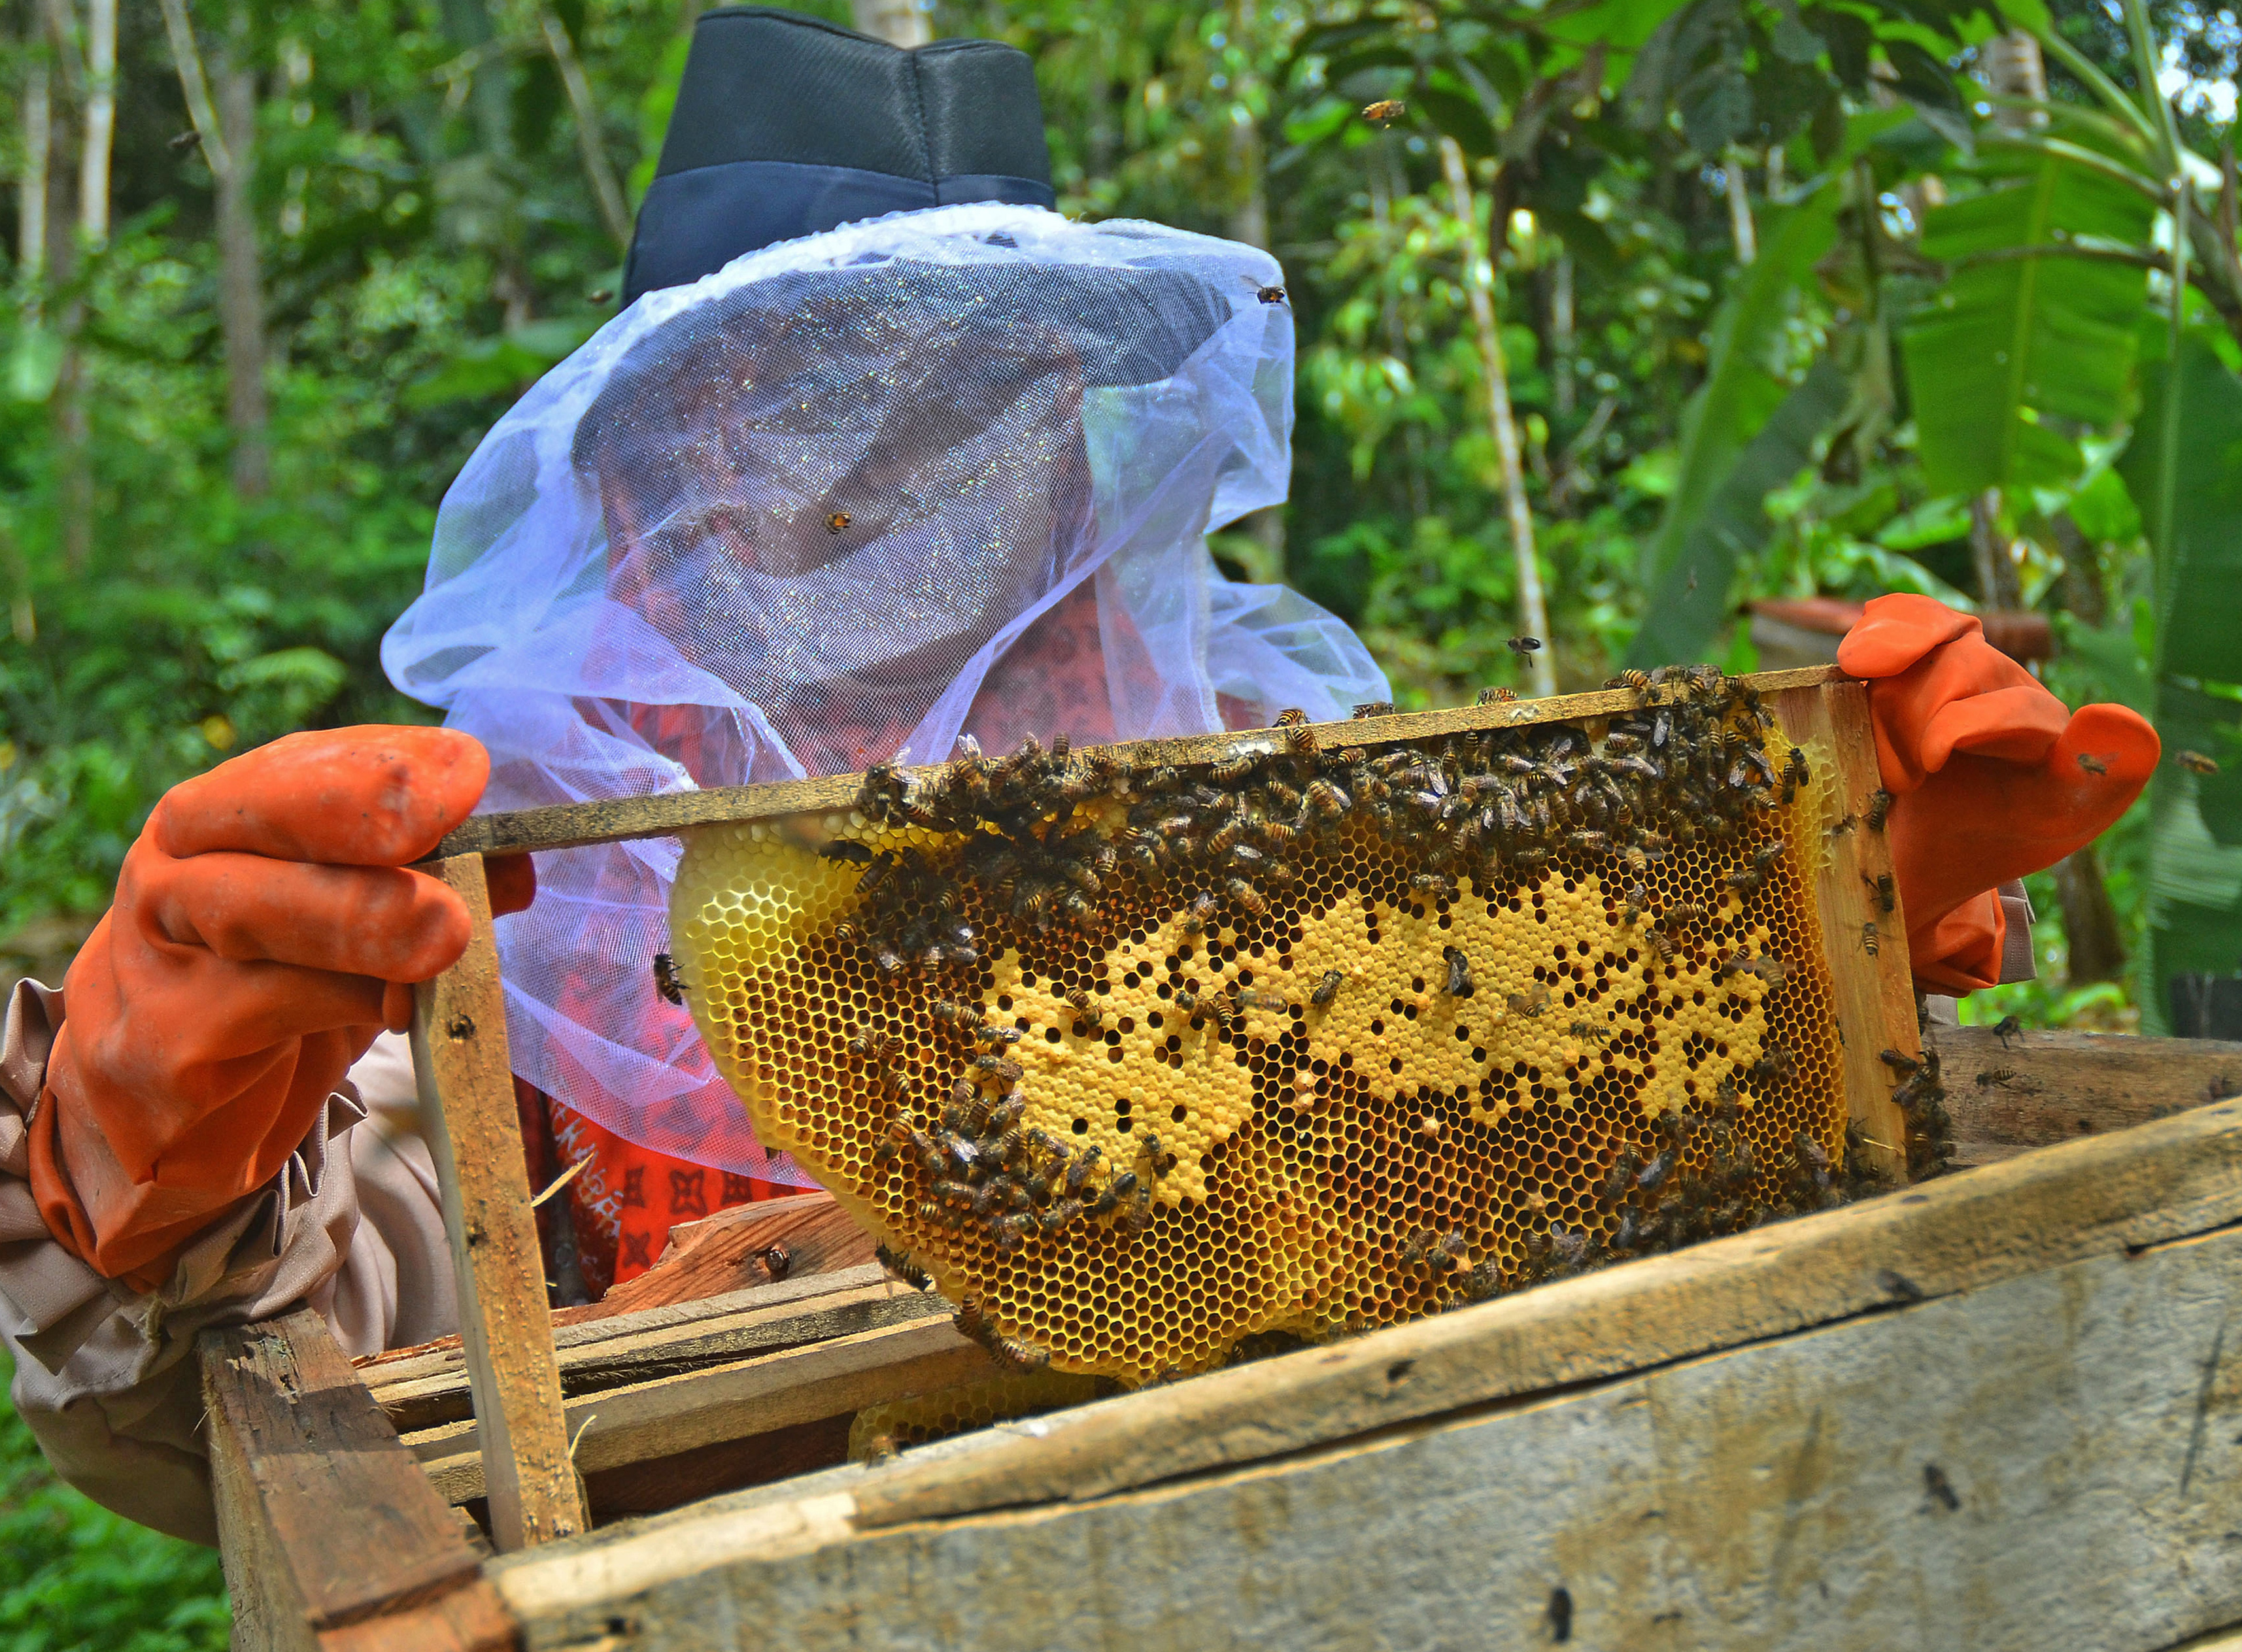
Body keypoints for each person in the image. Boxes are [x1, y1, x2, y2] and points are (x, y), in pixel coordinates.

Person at [0, 10, 2160, 1545]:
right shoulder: (497, 900)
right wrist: (151, 1201)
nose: (905, 464)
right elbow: (268, 1413)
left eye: (987, 392)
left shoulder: (1249, 783)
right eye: (824, 391)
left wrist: (1820, 918)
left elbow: (1560, 1144)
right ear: (653, 450)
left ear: (1085, 433)